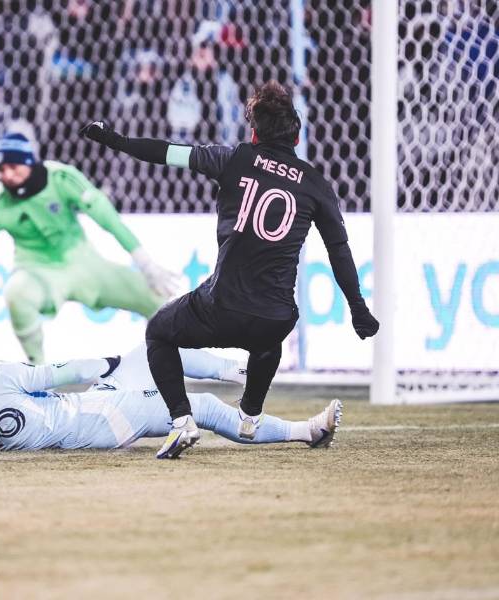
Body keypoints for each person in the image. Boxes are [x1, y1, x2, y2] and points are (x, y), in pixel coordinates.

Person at [80, 80, 378, 459]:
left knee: (159, 331)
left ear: (254, 133)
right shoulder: (316, 184)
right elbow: (339, 250)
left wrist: (117, 140)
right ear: (298, 138)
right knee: (273, 335)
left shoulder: (234, 158)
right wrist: (358, 308)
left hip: (220, 308)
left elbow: (169, 152)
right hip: (273, 318)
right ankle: (250, 413)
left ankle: (181, 421)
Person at [0, 321, 342, 454]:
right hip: (96, 422)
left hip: (90, 411)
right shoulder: (0, 372)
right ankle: (302, 432)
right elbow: (60, 373)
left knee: (149, 353)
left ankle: (240, 371)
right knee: (194, 403)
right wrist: (103, 359)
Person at [0, 132, 179, 363]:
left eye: (13, 167)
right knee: (16, 292)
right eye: (0, 170)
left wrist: (146, 264)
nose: (6, 175)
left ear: (30, 162)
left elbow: (107, 218)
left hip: (86, 265)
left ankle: (162, 373)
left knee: (158, 303)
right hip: (38, 272)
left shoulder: (60, 178)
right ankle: (40, 374)